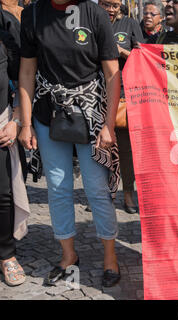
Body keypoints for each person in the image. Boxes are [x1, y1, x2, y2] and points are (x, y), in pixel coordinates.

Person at [18, 0, 122, 287]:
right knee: (58, 187)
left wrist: (108, 125)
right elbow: (27, 72)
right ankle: (68, 256)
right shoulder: (33, 14)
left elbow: (113, 74)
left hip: (91, 115)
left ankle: (110, 256)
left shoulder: (95, 14)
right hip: (47, 114)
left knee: (97, 189)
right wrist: (26, 123)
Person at [99, 0, 143, 214]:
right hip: (97, 94)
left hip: (125, 95)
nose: (110, 9)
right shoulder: (92, 21)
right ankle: (102, 194)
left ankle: (127, 194)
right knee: (100, 148)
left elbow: (141, 55)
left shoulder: (129, 24)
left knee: (125, 150)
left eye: (115, 5)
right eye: (106, 4)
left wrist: (119, 51)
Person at [0, 28, 29, 287]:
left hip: (2, 126)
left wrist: (17, 120)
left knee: (3, 194)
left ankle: (6, 254)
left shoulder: (5, 34)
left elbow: (21, 80)